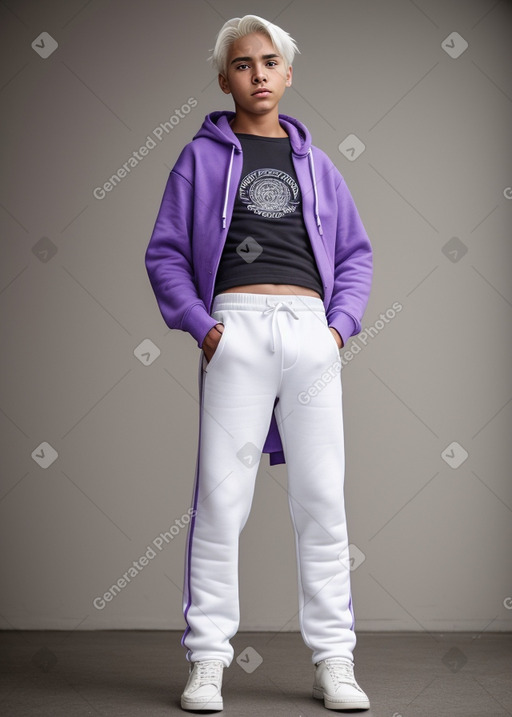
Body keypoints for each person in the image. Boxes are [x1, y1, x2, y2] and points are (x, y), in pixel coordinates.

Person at [145, 14, 373, 713]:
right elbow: (165, 255)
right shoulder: (200, 157)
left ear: (288, 73)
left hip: (310, 334)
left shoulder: (317, 162)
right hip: (235, 330)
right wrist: (206, 330)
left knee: (322, 499)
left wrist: (336, 331)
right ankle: (208, 660)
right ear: (225, 80)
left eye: (270, 61)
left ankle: (335, 659)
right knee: (220, 498)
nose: (259, 74)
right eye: (244, 65)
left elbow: (357, 255)